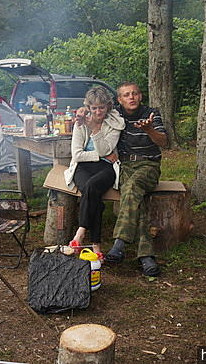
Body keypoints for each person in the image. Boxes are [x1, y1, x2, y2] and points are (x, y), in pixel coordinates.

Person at [105, 82, 167, 277]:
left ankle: (119, 244)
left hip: (148, 166)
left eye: (134, 94)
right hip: (124, 167)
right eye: (126, 95)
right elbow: (94, 108)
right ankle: (146, 257)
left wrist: (149, 130)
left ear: (140, 96)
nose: (131, 97)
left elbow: (165, 143)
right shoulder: (115, 113)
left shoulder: (151, 113)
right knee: (135, 199)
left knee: (131, 188)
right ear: (119, 100)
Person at [65, 86, 125, 255]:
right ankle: (96, 245)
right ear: (89, 108)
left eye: (102, 107)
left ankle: (80, 233)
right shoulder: (80, 123)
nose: (98, 112)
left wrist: (95, 130)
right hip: (83, 167)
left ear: (108, 106)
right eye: (94, 108)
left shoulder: (115, 122)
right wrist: (101, 155)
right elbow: (77, 155)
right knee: (93, 195)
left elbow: (107, 148)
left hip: (107, 168)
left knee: (91, 188)